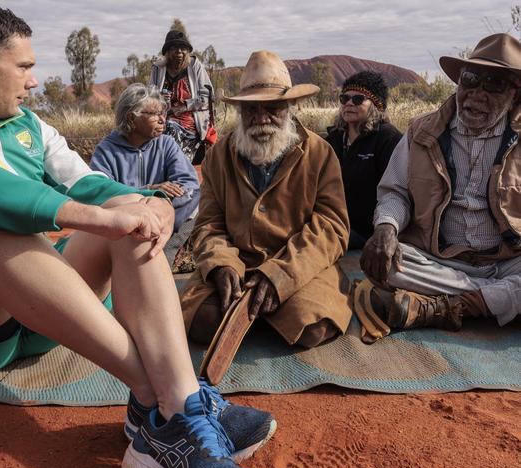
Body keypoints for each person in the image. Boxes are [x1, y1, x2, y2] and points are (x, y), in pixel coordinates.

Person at [0, 3, 275, 468]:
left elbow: (92, 185)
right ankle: (156, 396)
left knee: (131, 216)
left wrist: (149, 205)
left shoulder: (29, 127)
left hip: (32, 315)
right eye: (24, 66)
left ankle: (178, 405)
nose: (34, 81)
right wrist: (89, 216)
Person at [181, 50, 353, 349]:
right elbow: (208, 223)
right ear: (240, 112)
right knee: (201, 321)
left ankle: (263, 315)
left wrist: (281, 275)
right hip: (237, 264)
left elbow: (331, 228)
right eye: (251, 109)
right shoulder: (219, 156)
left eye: (272, 108)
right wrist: (222, 265)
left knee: (310, 324)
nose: (261, 119)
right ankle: (256, 314)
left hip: (298, 265)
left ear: (290, 107)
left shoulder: (320, 153)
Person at [356, 33, 521, 339]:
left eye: (494, 84)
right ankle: (490, 300)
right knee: (385, 264)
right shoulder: (422, 131)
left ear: (516, 94)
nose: (476, 94)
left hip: (507, 261)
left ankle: (451, 305)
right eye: (470, 79)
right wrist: (387, 229)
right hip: (435, 259)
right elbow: (396, 191)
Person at [90, 83, 200, 233]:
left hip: (162, 218)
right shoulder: (107, 151)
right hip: (124, 224)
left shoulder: (166, 144)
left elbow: (189, 183)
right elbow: (100, 194)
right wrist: (148, 191)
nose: (163, 120)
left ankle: (163, 241)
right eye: (155, 114)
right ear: (131, 118)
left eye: (163, 113)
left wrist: (158, 203)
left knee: (197, 197)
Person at [325, 71, 402, 249]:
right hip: (333, 223)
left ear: (376, 106)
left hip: (369, 233)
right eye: (344, 99)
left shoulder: (387, 138)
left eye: (358, 99)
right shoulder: (334, 138)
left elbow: (395, 192)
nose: (349, 103)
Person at [149, 30, 213, 162]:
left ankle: (178, 169)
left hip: (190, 125)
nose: (179, 52)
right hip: (163, 121)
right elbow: (149, 97)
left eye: (183, 48)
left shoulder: (195, 67)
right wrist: (160, 98)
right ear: (167, 52)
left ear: (188, 52)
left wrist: (185, 106)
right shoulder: (157, 69)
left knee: (169, 131)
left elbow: (208, 98)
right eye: (173, 48)